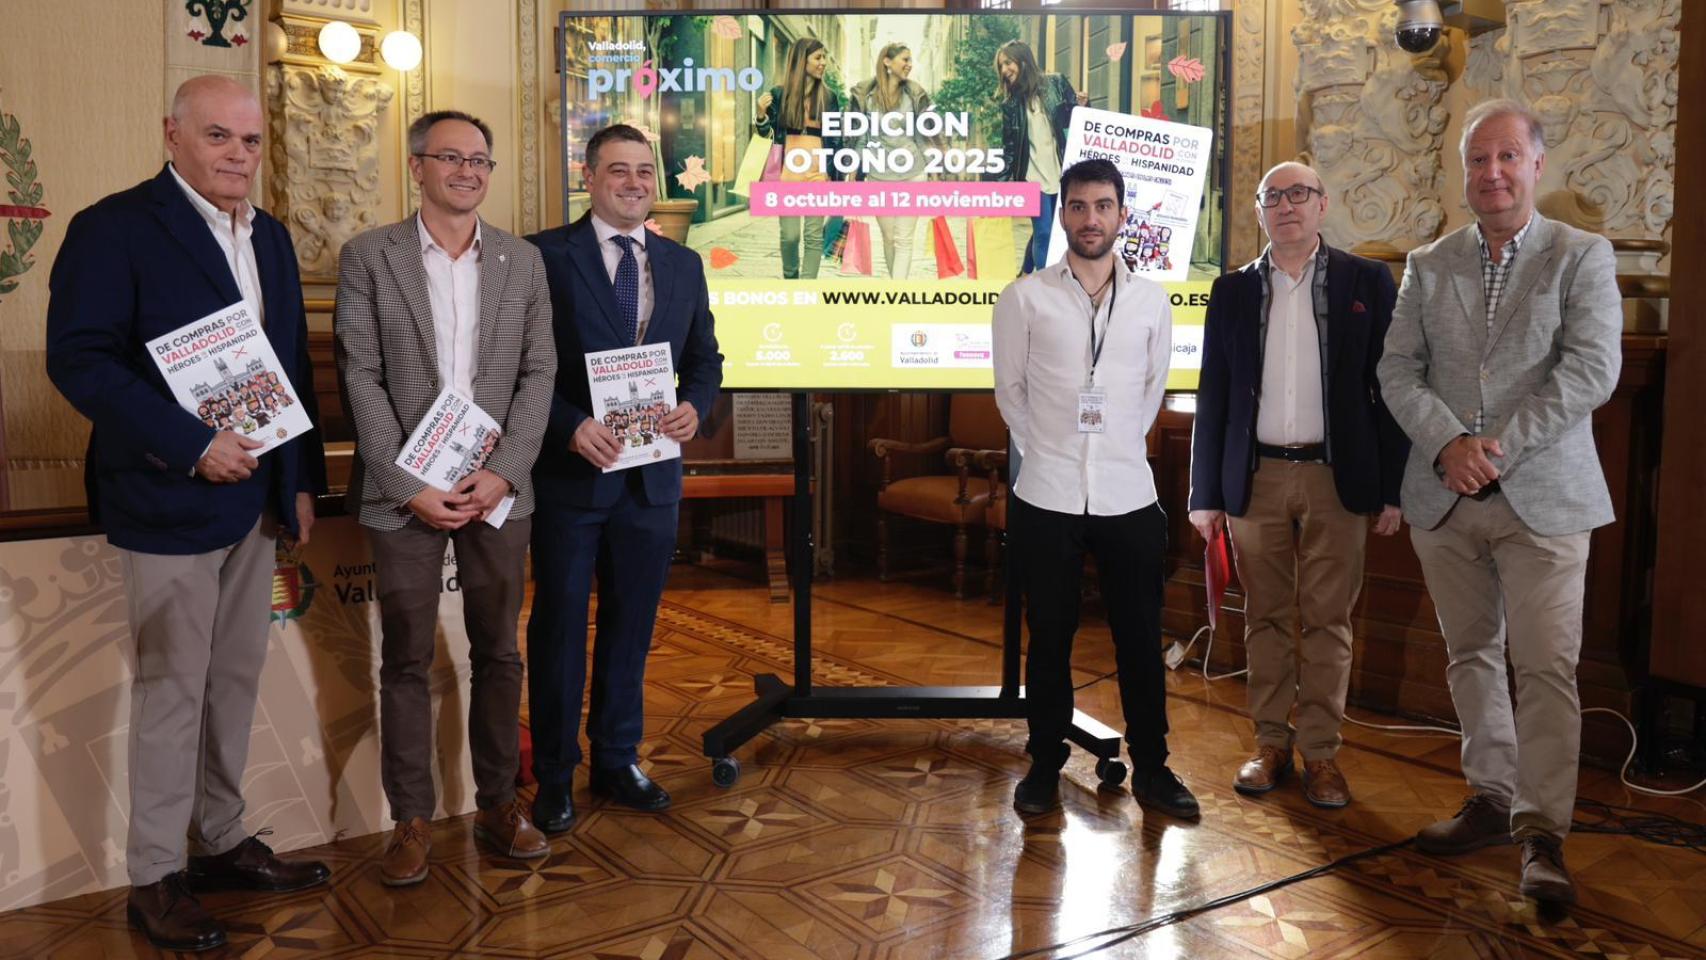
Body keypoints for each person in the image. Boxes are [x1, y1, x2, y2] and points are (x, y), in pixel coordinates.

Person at [45, 75, 328, 952]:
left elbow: (289, 370)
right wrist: (190, 441)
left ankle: (220, 839)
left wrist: (302, 477)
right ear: (172, 136)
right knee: (172, 695)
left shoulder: (270, 236)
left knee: (235, 684)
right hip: (168, 495)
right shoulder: (113, 228)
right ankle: (155, 875)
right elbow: (80, 362)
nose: (237, 155)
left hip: (257, 502)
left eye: (249, 142)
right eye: (218, 137)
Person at [1379, 99, 1623, 905]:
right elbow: (1397, 371)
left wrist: (1496, 450)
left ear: (1536, 164)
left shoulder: (1581, 255)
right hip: (1445, 499)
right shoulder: (1428, 261)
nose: (1492, 173)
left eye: (1507, 157)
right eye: (1478, 160)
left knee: (1546, 666)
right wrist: (1450, 445)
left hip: (1546, 500)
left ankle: (1542, 833)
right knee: (1470, 654)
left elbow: (1590, 371)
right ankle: (1490, 796)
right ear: (1463, 172)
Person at [334, 110, 558, 885]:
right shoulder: (369, 256)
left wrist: (505, 469)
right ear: (417, 166)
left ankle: (500, 805)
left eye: (481, 161)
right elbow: (359, 372)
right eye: (452, 157)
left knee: (499, 650)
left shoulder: (523, 263)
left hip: (497, 486)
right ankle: (412, 822)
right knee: (405, 658)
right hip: (408, 490)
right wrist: (409, 483)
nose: (469, 171)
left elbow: (539, 373)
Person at [1188, 162, 1408, 809]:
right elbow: (1213, 393)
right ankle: (1269, 743)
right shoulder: (1231, 292)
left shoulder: (1365, 281)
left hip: (1337, 477)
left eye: (1300, 194)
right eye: (1273, 196)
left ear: (1323, 203)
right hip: (1254, 477)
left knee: (1330, 622)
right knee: (1265, 616)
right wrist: (1204, 493)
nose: (1286, 205)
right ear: (1259, 211)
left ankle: (1321, 754)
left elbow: (1390, 389)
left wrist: (1394, 487)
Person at [525, 124, 723, 832]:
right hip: (572, 478)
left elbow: (705, 360)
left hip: (651, 482)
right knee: (557, 632)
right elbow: (519, 366)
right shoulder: (543, 255)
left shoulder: (682, 264)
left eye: (645, 171)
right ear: (588, 175)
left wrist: (696, 408)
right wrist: (566, 423)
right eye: (619, 170)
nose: (635, 182)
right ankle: (554, 774)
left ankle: (617, 756)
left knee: (632, 629)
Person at [991, 158, 1192, 818]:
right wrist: (1053, 450)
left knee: (1138, 637)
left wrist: (1109, 449)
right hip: (1045, 497)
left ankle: (1154, 770)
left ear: (1121, 215)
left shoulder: (1151, 301)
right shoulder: (1024, 297)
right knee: (1048, 636)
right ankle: (1044, 763)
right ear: (1064, 216)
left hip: (1128, 496)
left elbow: (1150, 390)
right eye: (1078, 207)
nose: (1090, 219)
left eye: (1103, 206)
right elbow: (1010, 393)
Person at [991, 39, 1087, 274]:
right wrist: (1000, 188)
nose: (1004, 70)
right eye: (1001, 66)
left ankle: (1025, 271)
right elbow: (1009, 149)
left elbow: (1075, 121)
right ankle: (1047, 286)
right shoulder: (1011, 104)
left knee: (1053, 229)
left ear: (1024, 60)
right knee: (1044, 231)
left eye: (1008, 63)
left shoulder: (1056, 83)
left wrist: (1083, 106)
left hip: (1061, 171)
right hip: (1032, 176)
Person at [848, 42, 939, 280]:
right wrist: (853, 167)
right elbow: (860, 137)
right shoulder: (866, 96)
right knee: (888, 237)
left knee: (904, 239)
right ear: (887, 62)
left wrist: (935, 165)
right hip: (878, 176)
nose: (909, 65)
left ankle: (896, 296)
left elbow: (922, 136)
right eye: (905, 60)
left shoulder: (914, 94)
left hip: (914, 174)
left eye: (910, 60)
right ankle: (895, 287)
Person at [756, 38, 842, 279]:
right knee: (790, 236)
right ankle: (791, 279)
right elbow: (766, 135)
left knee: (814, 236)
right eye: (818, 57)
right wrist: (761, 115)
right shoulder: (779, 94)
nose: (823, 62)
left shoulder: (829, 96)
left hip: (817, 174)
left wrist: (837, 178)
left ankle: (807, 289)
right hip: (787, 175)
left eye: (824, 57)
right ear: (801, 60)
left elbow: (836, 140)